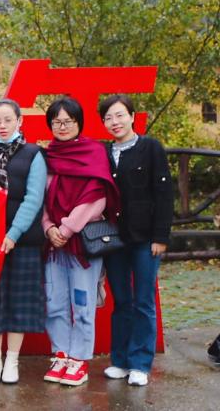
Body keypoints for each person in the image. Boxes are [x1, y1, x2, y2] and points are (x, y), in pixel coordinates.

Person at [41, 96, 120, 387]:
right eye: (57, 122)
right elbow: (40, 198)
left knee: (82, 303)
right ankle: (61, 354)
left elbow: (97, 197)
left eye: (68, 121)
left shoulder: (93, 152)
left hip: (82, 243)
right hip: (53, 245)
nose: (62, 127)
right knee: (55, 302)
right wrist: (49, 228)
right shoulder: (48, 156)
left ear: (79, 123)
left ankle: (79, 359)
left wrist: (66, 229)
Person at [99, 94, 172, 386]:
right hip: (113, 239)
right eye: (108, 118)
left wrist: (160, 236)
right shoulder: (104, 152)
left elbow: (164, 195)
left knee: (143, 301)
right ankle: (120, 360)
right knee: (122, 301)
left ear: (132, 116)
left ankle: (140, 363)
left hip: (146, 239)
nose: (114, 122)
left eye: (119, 115)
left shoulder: (151, 148)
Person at [0, 98, 46, 385]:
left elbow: (34, 198)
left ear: (19, 121)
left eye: (8, 120)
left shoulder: (33, 154)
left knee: (19, 301)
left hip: (22, 240)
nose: (2, 126)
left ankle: (12, 361)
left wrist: (13, 234)